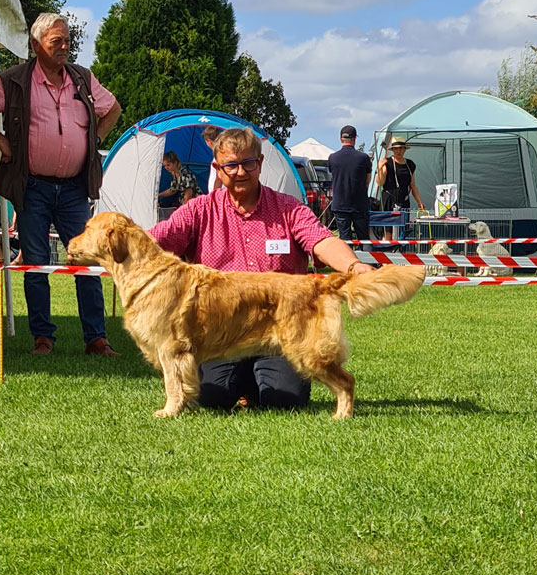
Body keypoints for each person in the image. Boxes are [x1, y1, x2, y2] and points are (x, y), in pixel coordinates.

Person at [148, 127, 373, 412]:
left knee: (285, 401)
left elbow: (322, 241)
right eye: (231, 165)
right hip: (221, 333)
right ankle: (244, 384)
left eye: (248, 163)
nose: (240, 172)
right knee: (211, 400)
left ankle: (259, 384)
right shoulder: (200, 211)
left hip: (279, 328)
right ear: (217, 168)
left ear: (261, 164)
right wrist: (114, 240)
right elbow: (154, 240)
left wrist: (353, 266)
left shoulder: (288, 209)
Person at [0, 12, 122, 356]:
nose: (65, 47)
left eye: (67, 40)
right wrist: (0, 141)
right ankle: (43, 339)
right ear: (36, 46)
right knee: (36, 261)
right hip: (32, 186)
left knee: (88, 260)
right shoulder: (14, 80)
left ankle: (97, 339)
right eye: (57, 42)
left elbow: (113, 108)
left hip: (74, 188)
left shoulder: (83, 78)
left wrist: (95, 139)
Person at [327, 125, 372, 245]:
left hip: (340, 204)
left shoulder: (332, 158)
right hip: (359, 204)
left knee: (345, 240)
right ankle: (367, 262)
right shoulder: (363, 158)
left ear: (341, 139)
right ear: (354, 139)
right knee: (363, 239)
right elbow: (368, 180)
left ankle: (346, 263)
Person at [376, 136, 425, 240]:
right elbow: (380, 183)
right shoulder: (387, 162)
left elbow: (412, 184)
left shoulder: (410, 164)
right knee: (387, 234)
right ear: (393, 150)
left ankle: (398, 254)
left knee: (401, 233)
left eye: (401, 148)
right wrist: (380, 168)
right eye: (396, 149)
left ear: (404, 149)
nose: (398, 151)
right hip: (389, 201)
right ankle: (386, 253)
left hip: (403, 201)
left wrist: (419, 202)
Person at [202, 125, 223, 192]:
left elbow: (219, 178)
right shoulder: (222, 153)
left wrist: (214, 197)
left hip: (219, 194)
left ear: (209, 141)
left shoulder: (219, 155)